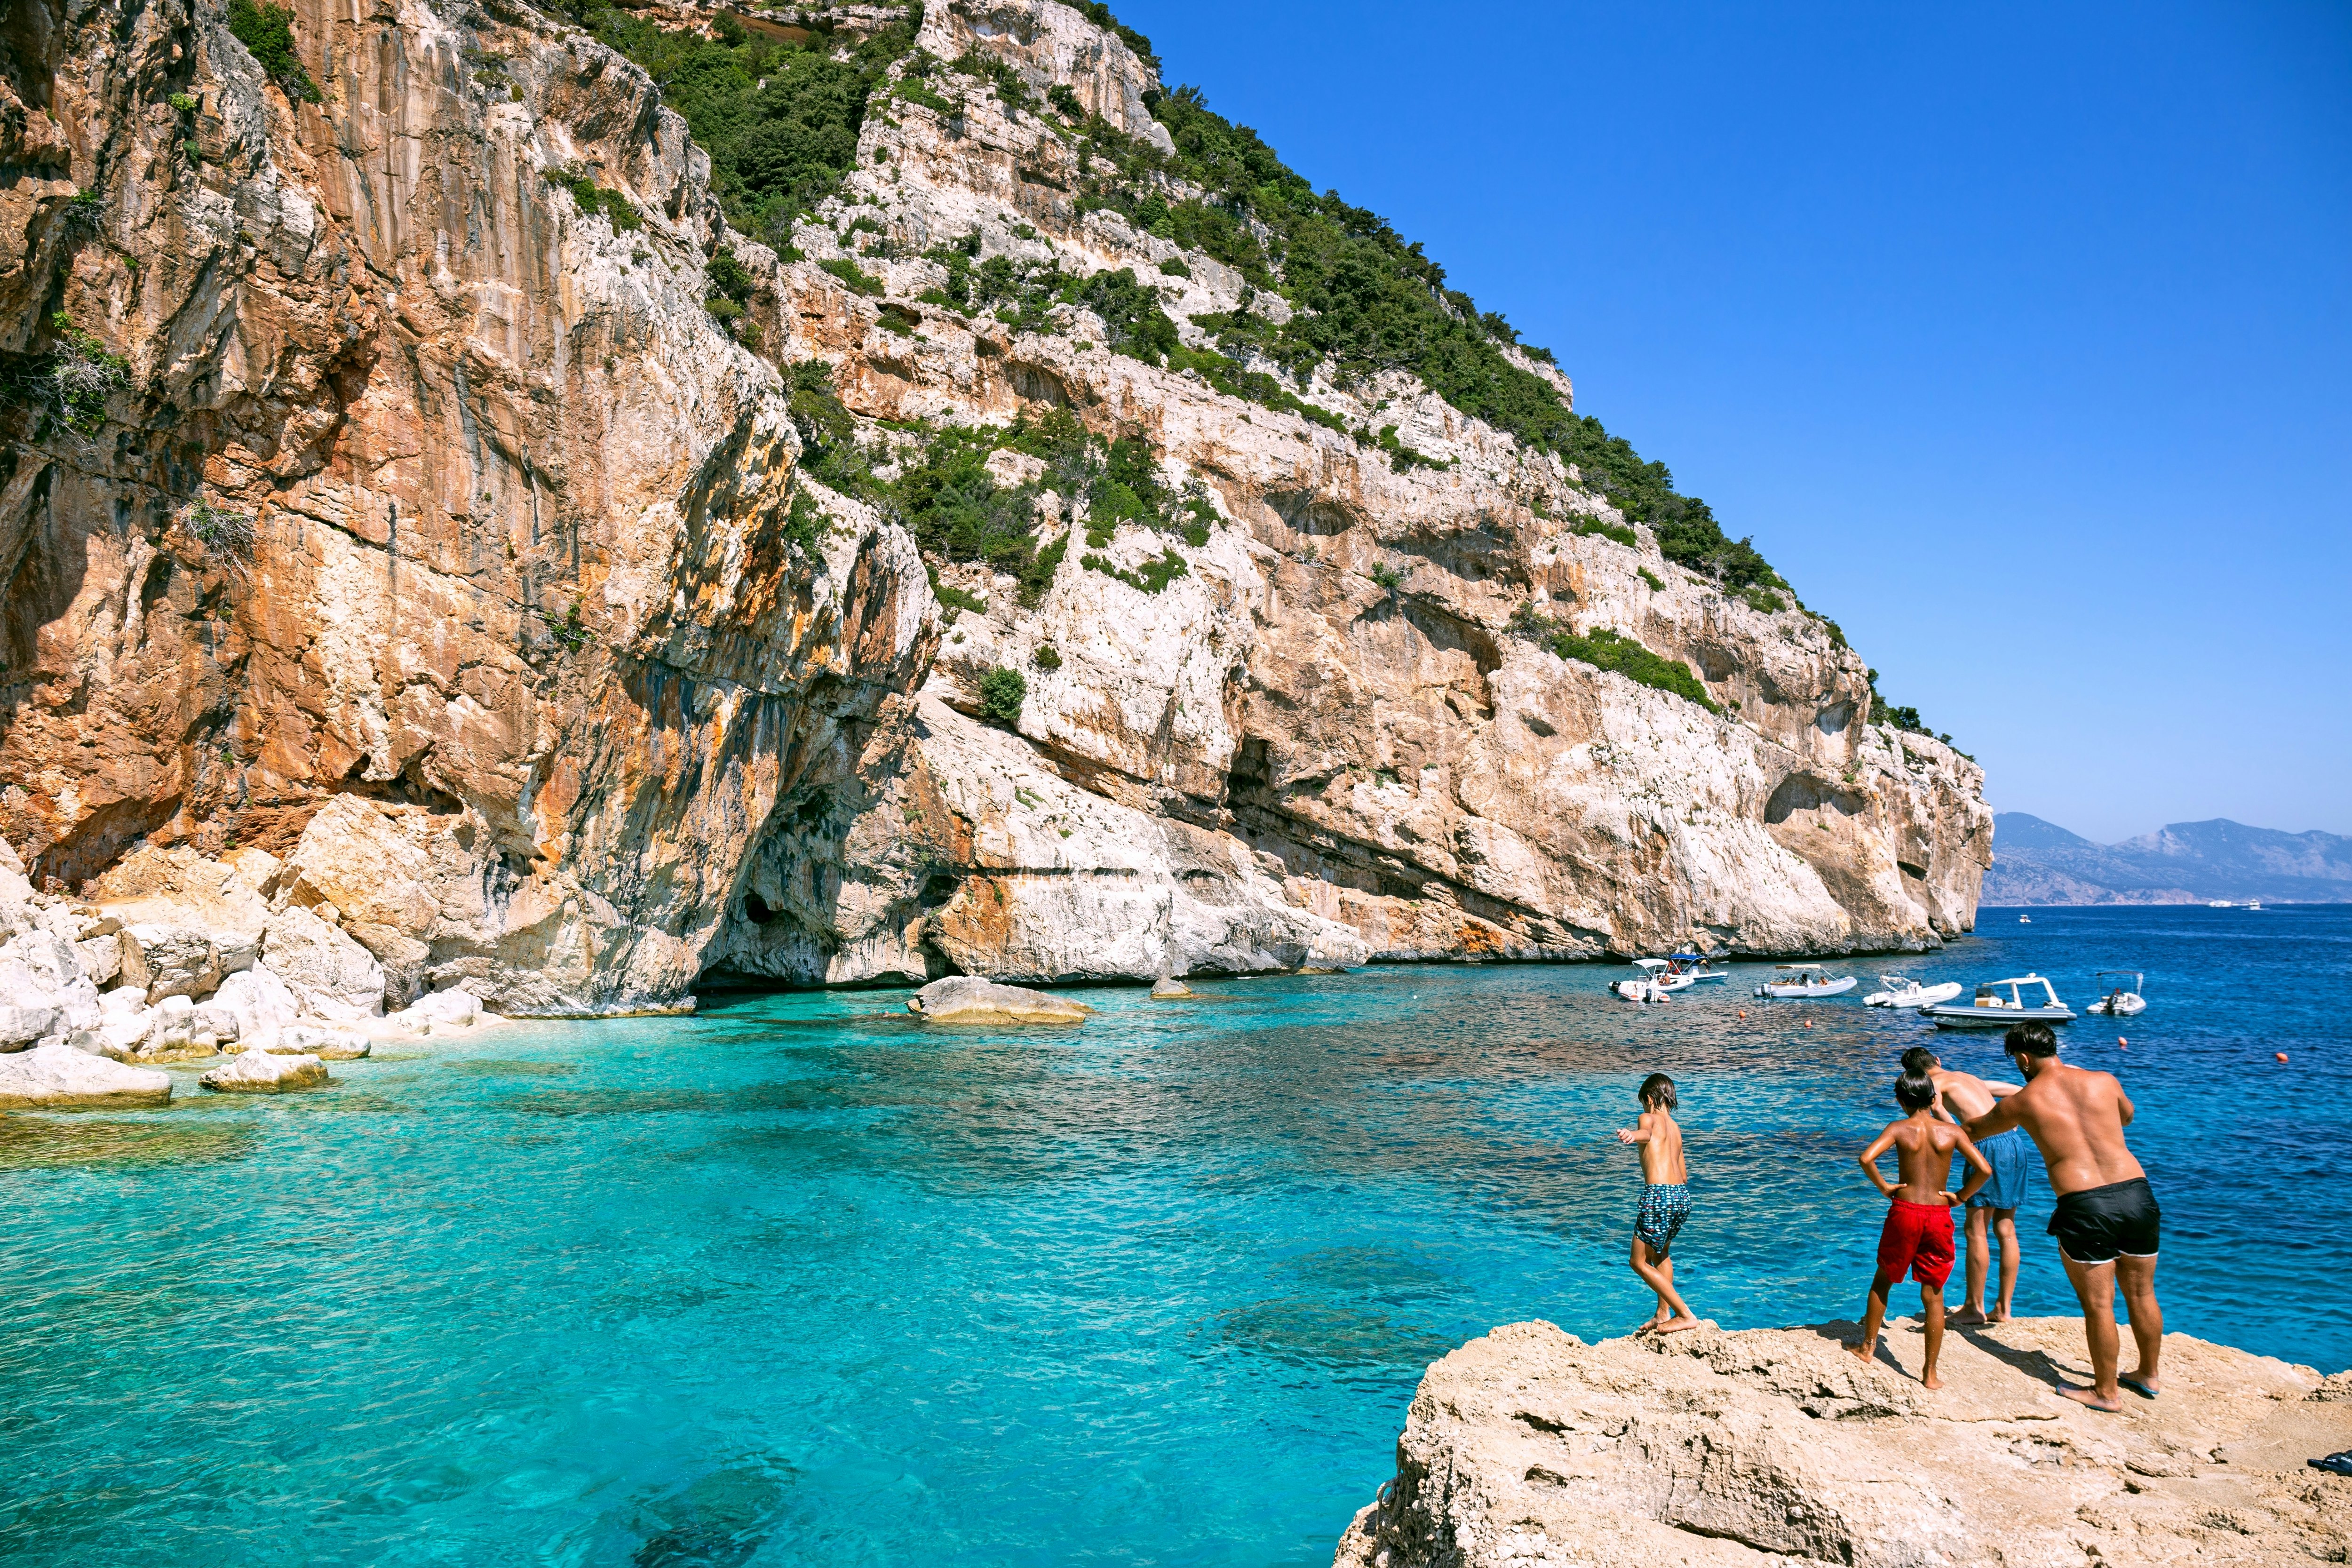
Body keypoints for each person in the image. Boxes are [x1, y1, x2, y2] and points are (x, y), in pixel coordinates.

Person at [1966, 1021, 2162, 1411]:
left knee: (2099, 1304)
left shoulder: (2023, 1101)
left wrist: (1939, 1115)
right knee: (2141, 1292)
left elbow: (1976, 1129)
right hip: (2137, 1194)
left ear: (2023, 1058)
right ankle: (2149, 1374)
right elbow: (2128, 1117)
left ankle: (2106, 1392)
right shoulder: (2104, 1079)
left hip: (2086, 1205)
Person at [1849, 1067, 1992, 1390]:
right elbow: (1984, 1169)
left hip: (1906, 1211)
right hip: (1939, 1215)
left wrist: (1885, 1187)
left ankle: (1868, 1348)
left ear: (1901, 1100)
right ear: (1933, 1098)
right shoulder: (1952, 1132)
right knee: (1934, 1293)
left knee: (1883, 1278)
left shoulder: (1900, 1128)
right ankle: (1929, 1373)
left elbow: (1866, 1157)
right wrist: (1961, 1197)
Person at [1900, 1045, 2027, 1323]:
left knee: (1976, 1230)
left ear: (1915, 1075)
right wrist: (2011, 1122)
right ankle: (2004, 1309)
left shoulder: (1935, 1084)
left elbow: (1937, 1109)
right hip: (2015, 1145)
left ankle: (1974, 1308)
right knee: (2006, 1228)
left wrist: (1961, 1137)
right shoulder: (1970, 1077)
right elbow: (2019, 1091)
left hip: (1987, 1145)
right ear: (1938, 1060)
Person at [1616, 1073, 1700, 1335]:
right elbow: (1684, 1174)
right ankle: (1662, 1313)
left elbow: (1646, 1131)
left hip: (1659, 1196)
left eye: (1643, 1104)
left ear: (1650, 1099)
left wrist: (1633, 1135)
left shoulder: (1648, 1117)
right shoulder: (1676, 1129)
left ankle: (1685, 1315)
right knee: (1660, 1253)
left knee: (1638, 1262)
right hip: (1681, 1197)